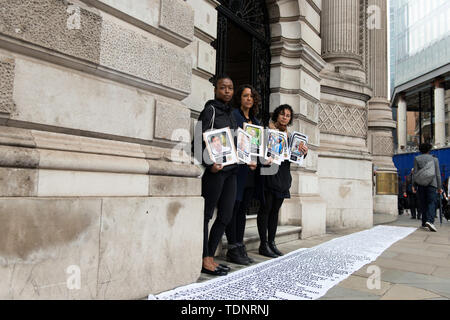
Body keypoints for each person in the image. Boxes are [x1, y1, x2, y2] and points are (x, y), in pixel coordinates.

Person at [195, 74, 238, 276]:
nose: (227, 91)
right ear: (215, 89)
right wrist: (209, 164)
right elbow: (196, 141)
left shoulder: (231, 114)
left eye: (230, 88)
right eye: (223, 88)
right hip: (216, 173)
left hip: (231, 172)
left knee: (225, 216)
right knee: (206, 216)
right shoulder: (210, 110)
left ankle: (210, 256)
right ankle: (205, 259)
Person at [257, 104, 308, 258]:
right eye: (282, 114)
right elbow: (258, 151)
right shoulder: (268, 132)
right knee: (265, 209)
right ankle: (263, 244)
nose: (285, 117)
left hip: (283, 176)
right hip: (269, 174)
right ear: (276, 115)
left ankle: (272, 243)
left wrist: (303, 152)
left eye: (287, 115)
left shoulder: (291, 136)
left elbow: (295, 157)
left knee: (275, 211)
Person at [224, 84, 259, 265]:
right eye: (245, 96)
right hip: (236, 170)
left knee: (243, 210)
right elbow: (231, 140)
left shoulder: (256, 121)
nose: (249, 99)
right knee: (234, 209)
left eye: (251, 96)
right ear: (240, 98)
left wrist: (256, 161)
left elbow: (258, 147)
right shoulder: (234, 116)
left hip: (250, 171)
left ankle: (240, 245)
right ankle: (232, 247)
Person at [412, 143, 442, 232]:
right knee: (431, 202)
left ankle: (424, 222)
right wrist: (439, 187)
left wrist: (414, 185)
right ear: (429, 150)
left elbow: (415, 173)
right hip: (432, 184)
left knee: (423, 203)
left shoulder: (417, 159)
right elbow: (437, 174)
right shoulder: (434, 159)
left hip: (421, 184)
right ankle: (430, 221)